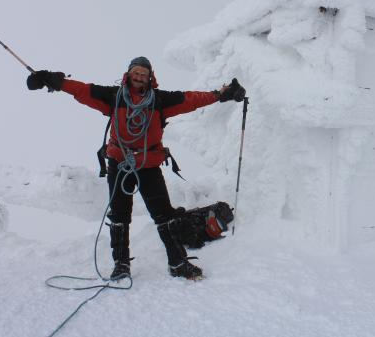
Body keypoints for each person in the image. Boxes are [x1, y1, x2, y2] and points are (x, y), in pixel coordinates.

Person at [26, 56, 245, 280]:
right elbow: (84, 91)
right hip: (119, 164)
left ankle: (178, 263)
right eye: (136, 72)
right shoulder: (113, 97)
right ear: (129, 74)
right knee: (119, 215)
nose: (139, 76)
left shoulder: (160, 100)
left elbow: (191, 99)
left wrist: (221, 94)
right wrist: (52, 81)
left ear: (150, 77)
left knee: (164, 215)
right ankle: (121, 266)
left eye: (144, 73)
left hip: (148, 164)